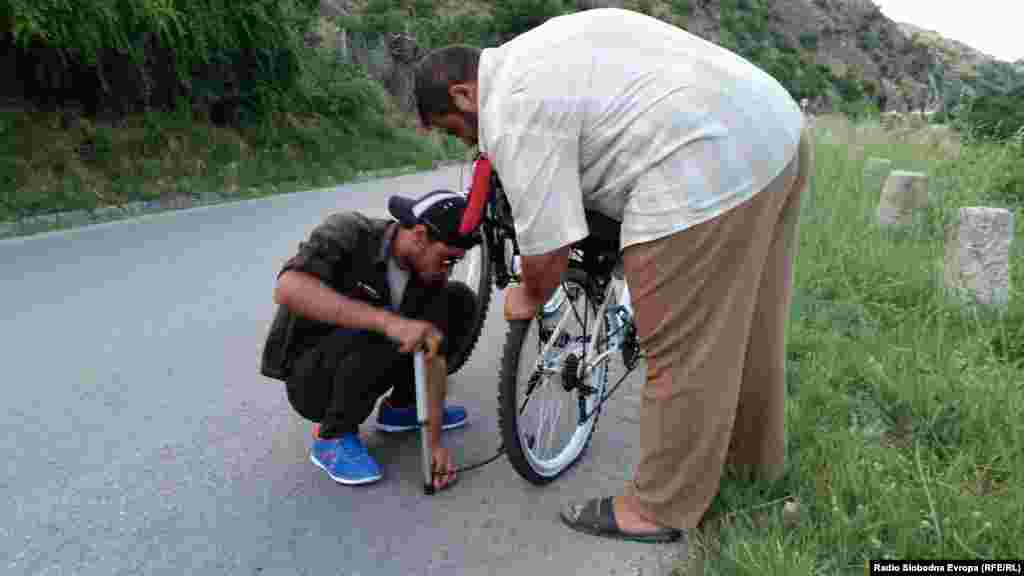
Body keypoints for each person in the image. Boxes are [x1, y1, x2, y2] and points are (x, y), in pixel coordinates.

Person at [413, 8, 813, 543]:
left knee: (681, 351)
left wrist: (528, 296)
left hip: (706, 163)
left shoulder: (510, 109)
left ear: (464, 95)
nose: (465, 143)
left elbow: (548, 247)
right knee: (753, 324)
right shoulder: (537, 49)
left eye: (453, 130)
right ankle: (750, 465)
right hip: (775, 131)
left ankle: (658, 509)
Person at [261, 190, 481, 491]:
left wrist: (434, 445)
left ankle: (403, 408)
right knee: (386, 325)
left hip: (365, 354)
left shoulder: (429, 277)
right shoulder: (349, 232)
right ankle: (331, 438)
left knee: (460, 301)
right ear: (419, 235)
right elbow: (288, 288)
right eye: (446, 259)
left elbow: (434, 356)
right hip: (312, 375)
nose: (449, 269)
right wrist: (388, 322)